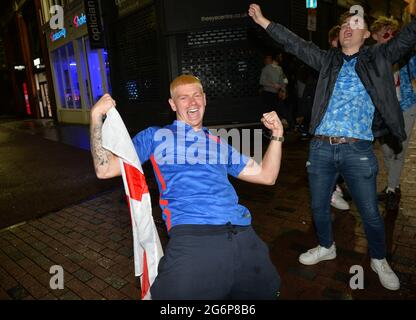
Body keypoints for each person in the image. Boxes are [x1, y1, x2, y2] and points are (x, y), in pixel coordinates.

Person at [249, 2, 416, 291]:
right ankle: (327, 246)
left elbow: (407, 37)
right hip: (321, 149)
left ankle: (378, 259)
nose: (347, 29)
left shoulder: (378, 57)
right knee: (318, 206)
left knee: (370, 213)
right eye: (343, 26)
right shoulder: (327, 60)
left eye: (355, 24)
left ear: (366, 34)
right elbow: (295, 44)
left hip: (357, 150)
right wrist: (264, 21)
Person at [89, 74, 283, 299]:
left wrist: (277, 135)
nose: (192, 102)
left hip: (242, 234)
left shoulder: (218, 141)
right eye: (183, 98)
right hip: (194, 236)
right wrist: (95, 117)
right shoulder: (155, 136)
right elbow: (105, 169)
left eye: (196, 95)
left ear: (205, 99)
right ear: (172, 104)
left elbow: (267, 176)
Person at [371, 16, 416, 211]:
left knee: (399, 150)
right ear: (375, 36)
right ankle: (394, 185)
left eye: (393, 33)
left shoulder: (406, 55)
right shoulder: (370, 57)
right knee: (387, 152)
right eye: (385, 33)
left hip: (406, 106)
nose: (390, 37)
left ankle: (390, 189)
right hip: (382, 111)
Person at [328, 25, 351, 211]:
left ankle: (336, 186)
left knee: (346, 158)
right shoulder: (326, 60)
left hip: (348, 123)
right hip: (330, 124)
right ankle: (331, 191)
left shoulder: (352, 60)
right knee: (334, 158)